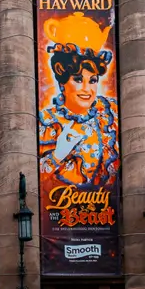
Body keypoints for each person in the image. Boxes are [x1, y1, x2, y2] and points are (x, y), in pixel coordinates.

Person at [38, 43, 119, 189]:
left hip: (109, 206)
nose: (87, 89)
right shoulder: (47, 122)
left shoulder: (109, 112)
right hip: (58, 206)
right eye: (78, 80)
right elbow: (32, 180)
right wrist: (58, 154)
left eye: (92, 81)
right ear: (62, 84)